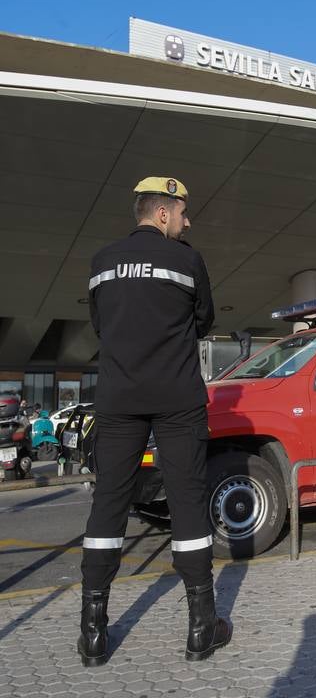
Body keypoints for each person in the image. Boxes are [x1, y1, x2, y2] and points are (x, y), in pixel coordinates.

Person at [78, 176, 231, 667]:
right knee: (187, 500)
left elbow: (102, 326)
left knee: (109, 504)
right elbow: (203, 319)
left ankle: (94, 632)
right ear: (164, 213)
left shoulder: (102, 263)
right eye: (184, 214)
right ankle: (201, 629)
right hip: (177, 397)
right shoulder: (187, 260)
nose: (188, 223)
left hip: (118, 398)